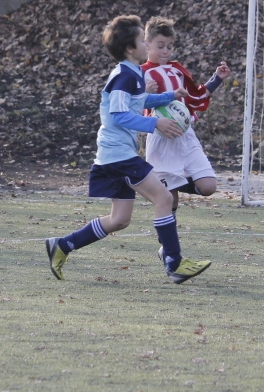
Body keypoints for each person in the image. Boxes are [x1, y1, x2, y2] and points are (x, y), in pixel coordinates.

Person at [45, 14, 212, 284]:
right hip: (120, 157)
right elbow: (120, 114)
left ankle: (62, 245)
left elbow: (139, 99)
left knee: (120, 219)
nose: (147, 44)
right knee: (164, 199)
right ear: (130, 48)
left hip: (114, 156)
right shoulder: (123, 76)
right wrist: (154, 121)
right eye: (141, 40)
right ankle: (174, 262)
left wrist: (169, 96)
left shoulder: (132, 73)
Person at [140, 16, 232, 211]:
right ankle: (168, 241)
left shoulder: (177, 70)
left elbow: (196, 98)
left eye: (170, 46)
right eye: (161, 45)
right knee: (169, 201)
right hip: (162, 137)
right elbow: (134, 106)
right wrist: (146, 93)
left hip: (186, 134)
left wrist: (216, 79)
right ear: (147, 44)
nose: (165, 51)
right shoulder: (141, 73)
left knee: (208, 187)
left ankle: (160, 184)